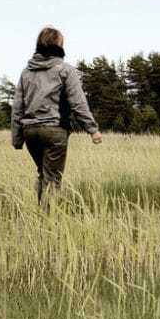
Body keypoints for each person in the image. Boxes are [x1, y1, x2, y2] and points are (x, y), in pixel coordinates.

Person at [11, 27, 102, 210]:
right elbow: (78, 103)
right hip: (55, 131)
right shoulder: (66, 70)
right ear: (59, 45)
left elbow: (17, 107)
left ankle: (40, 217)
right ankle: (48, 222)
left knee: (44, 175)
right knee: (52, 179)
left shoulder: (26, 72)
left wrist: (17, 138)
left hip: (30, 132)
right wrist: (92, 129)